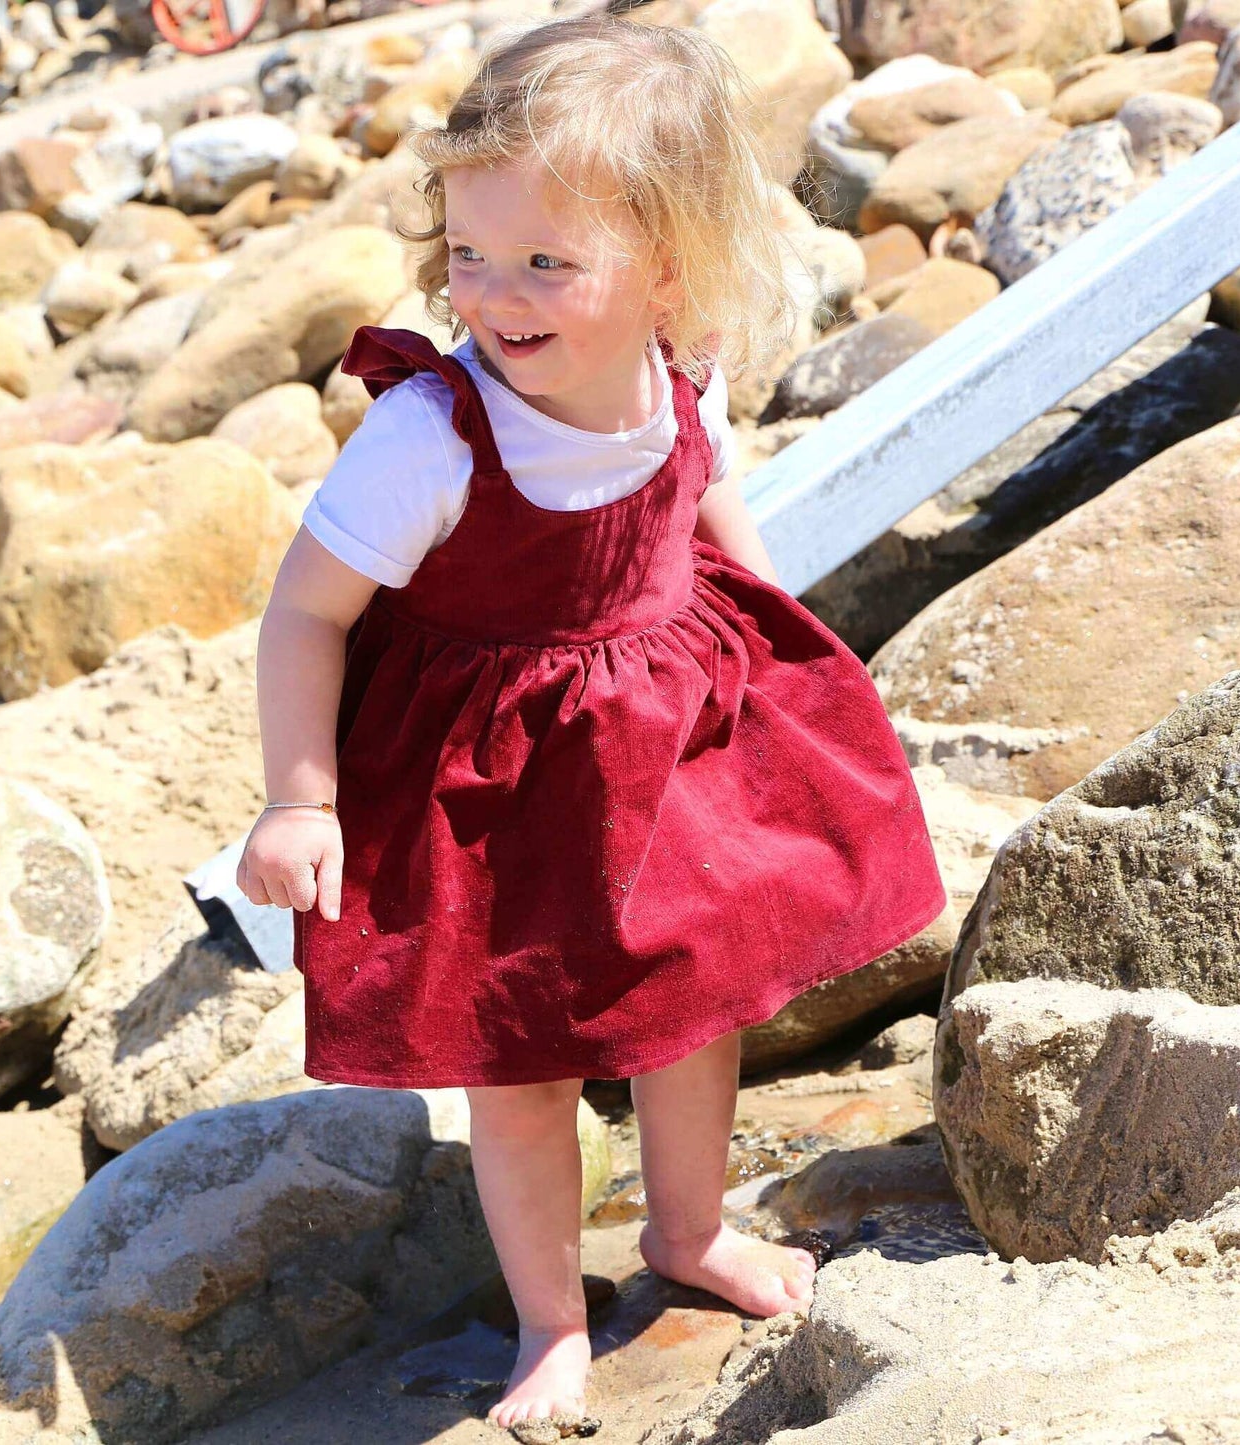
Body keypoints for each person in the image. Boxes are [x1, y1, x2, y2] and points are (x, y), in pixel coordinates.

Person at [238, 13, 947, 1437]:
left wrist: (781, 649)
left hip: (656, 741)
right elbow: (303, 615)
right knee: (515, 1061)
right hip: (482, 779)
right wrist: (299, 797)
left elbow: (706, 508)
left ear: (667, 268)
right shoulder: (430, 436)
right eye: (469, 255)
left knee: (695, 1002)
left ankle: (684, 1232)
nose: (496, 294)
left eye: (547, 263)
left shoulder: (680, 375)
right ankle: (550, 1323)